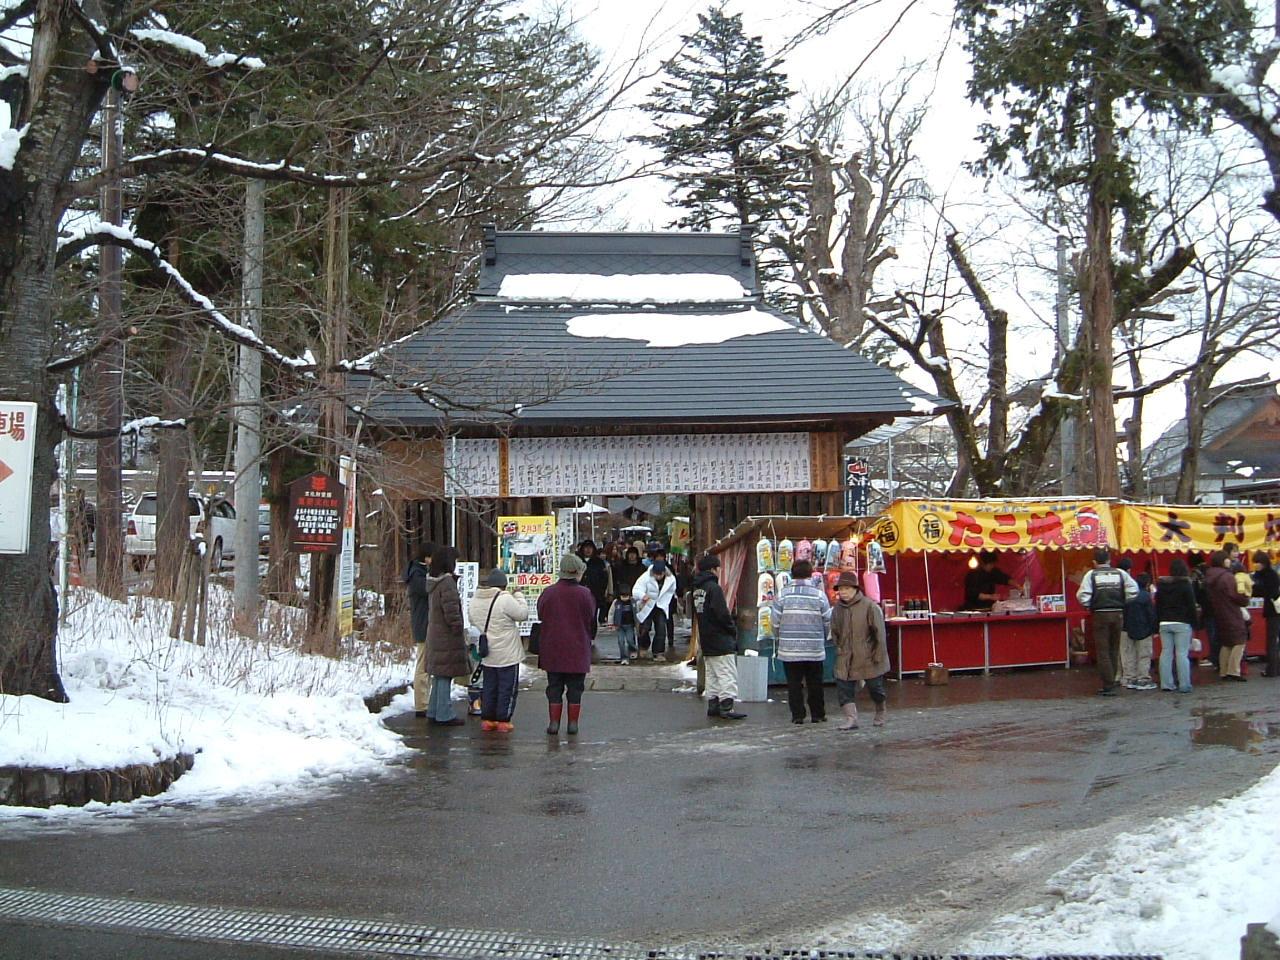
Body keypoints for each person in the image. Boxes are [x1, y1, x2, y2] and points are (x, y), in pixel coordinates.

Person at [537, 553, 596, 736]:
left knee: (554, 687)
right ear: (577, 572)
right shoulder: (585, 594)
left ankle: (554, 723)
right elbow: (591, 618)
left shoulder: (549, 593)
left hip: (552, 648)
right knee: (575, 688)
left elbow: (540, 614)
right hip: (577, 649)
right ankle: (572, 724)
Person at [772, 559, 833, 723]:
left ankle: (797, 715)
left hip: (789, 649)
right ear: (810, 574)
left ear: (792, 574)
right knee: (815, 682)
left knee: (794, 683)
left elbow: (775, 621)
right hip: (814, 647)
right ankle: (818, 714)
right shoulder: (819, 595)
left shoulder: (782, 595)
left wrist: (779, 637)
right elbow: (827, 620)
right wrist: (824, 637)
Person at [468, 568, 529, 732]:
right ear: (503, 585)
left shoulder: (475, 600)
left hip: (488, 652)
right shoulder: (505, 599)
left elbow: (472, 619)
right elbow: (522, 614)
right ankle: (503, 720)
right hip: (507, 653)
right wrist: (519, 596)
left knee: (489, 687)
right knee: (507, 688)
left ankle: (488, 719)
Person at [830, 571, 889, 729]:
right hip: (845, 656)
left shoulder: (870, 606)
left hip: (868, 655)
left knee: (875, 688)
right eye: (840, 589)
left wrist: (878, 654)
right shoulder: (837, 609)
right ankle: (851, 718)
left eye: (847, 588)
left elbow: (879, 633)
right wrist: (839, 646)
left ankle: (880, 709)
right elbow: (834, 630)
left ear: (855, 589)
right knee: (844, 688)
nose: (843, 592)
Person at [690, 553, 746, 721]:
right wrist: (731, 629)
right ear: (713, 569)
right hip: (720, 638)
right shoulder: (714, 588)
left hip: (706, 638)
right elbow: (722, 613)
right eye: (718, 568)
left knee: (712, 674)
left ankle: (713, 704)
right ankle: (727, 706)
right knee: (726, 673)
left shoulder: (697, 590)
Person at [1077, 548, 1139, 696]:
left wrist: (1089, 605)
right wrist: (1123, 601)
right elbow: (1133, 590)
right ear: (1109, 560)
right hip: (1118, 614)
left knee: (1102, 650)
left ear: (1094, 562)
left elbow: (1082, 595)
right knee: (1114, 648)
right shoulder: (1120, 573)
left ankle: (1108, 683)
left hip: (1100, 614)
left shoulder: (1091, 575)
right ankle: (1113, 678)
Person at [424, 546, 468, 726]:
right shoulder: (447, 582)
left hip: (435, 633)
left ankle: (434, 710)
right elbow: (451, 611)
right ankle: (444, 713)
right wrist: (458, 628)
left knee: (439, 674)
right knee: (445, 675)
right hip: (446, 635)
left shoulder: (433, 581)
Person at [1205, 549, 1250, 681]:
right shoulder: (1227, 577)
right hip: (1231, 611)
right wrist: (1245, 598)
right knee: (1239, 641)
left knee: (1226, 643)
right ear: (1223, 561)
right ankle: (1233, 671)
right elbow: (1236, 595)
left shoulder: (1210, 576)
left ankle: (1223, 671)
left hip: (1219, 613)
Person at [1156, 558, 1199, 693]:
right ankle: (1184, 684)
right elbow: (1191, 606)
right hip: (1182, 622)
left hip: (1164, 622)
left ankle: (1166, 684)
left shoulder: (1161, 585)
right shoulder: (1186, 585)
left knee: (1166, 652)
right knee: (1181, 654)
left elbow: (1157, 605)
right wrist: (1195, 623)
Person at [404, 541, 435, 718]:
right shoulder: (417, 574)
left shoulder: (417, 571)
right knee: (423, 665)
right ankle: (421, 705)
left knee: (425, 664)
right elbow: (427, 589)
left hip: (423, 622)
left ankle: (424, 702)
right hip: (423, 624)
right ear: (426, 557)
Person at [1120, 571, 1158, 689]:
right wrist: (1154, 629)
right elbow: (1151, 614)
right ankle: (1143, 679)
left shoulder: (1128, 595)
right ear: (1147, 584)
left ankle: (1130, 678)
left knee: (1130, 655)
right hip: (1144, 630)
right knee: (1144, 655)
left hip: (1128, 629)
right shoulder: (1146, 596)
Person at [633, 559, 677, 661]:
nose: (658, 576)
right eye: (656, 574)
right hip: (647, 604)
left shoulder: (671, 579)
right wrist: (643, 595)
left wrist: (665, 600)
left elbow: (671, 591)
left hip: (661, 605)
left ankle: (658, 652)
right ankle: (643, 646)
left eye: (660, 574)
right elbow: (636, 589)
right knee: (644, 628)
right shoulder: (645, 577)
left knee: (661, 629)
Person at [611, 546, 646, 662]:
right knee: (626, 624)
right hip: (624, 595)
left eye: (634, 554)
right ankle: (630, 651)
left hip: (639, 596)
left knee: (638, 622)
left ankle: (639, 646)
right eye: (630, 554)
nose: (632, 556)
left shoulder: (642, 568)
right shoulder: (622, 567)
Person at [1251, 551, 1280, 677]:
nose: (1256, 565)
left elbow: (1269, 592)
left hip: (1274, 611)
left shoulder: (1270, 575)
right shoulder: (1262, 574)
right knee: (1273, 640)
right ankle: (1274, 668)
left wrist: (1254, 587)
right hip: (1273, 610)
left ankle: (1272, 669)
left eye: (1258, 562)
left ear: (1263, 563)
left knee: (1272, 641)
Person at [577, 539, 613, 628]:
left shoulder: (599, 562)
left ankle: (591, 634)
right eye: (586, 548)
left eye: (590, 548)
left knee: (592, 617)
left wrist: (602, 592)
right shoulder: (577, 561)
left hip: (594, 594)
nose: (588, 550)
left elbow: (604, 579)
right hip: (579, 594)